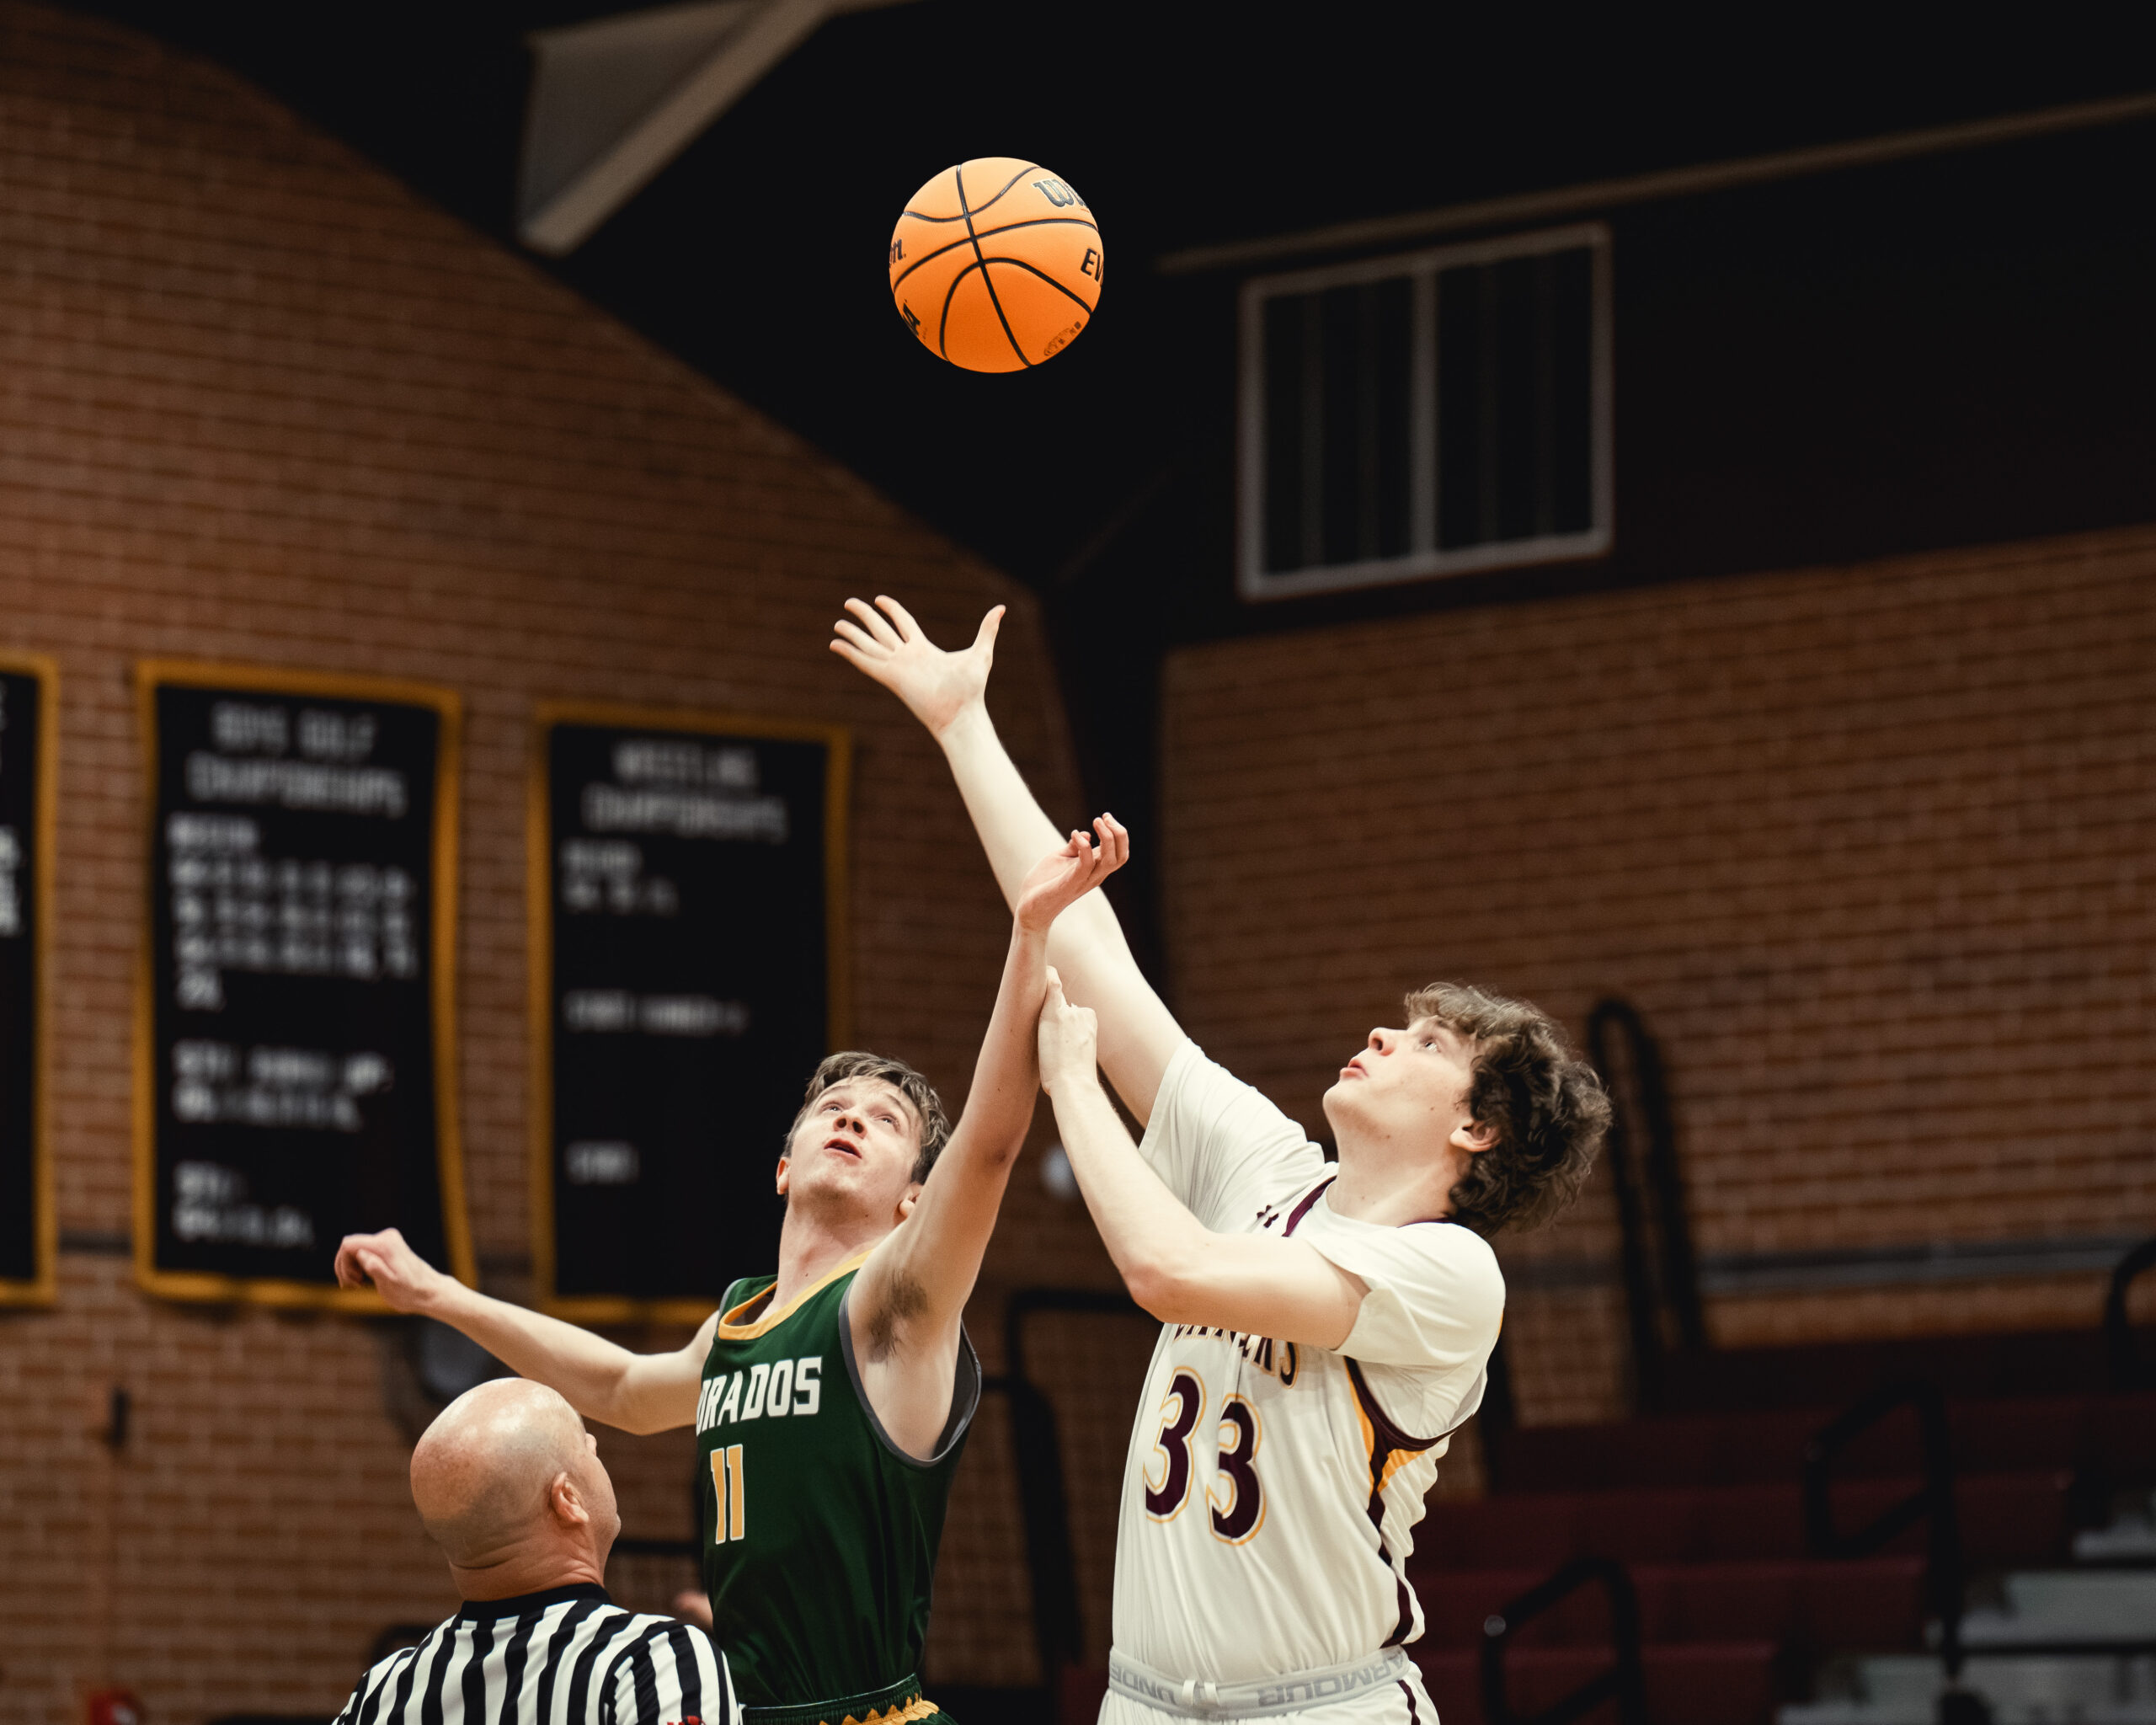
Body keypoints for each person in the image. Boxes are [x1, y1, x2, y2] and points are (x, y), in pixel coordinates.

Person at [834, 596, 1610, 1725]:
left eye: (1431, 1043)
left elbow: (1167, 1275)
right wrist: (965, 728)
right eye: (1403, 1021)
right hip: (1146, 1703)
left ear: (1477, 1129)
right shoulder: (1264, 1167)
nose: (1388, 1034)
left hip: (1320, 1710)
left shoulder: (1450, 1274)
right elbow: (1093, 951)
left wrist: (1071, 1087)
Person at [336, 821, 1123, 1725]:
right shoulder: (738, 1323)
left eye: (886, 1121)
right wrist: (438, 1293)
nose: (854, 1119)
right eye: (834, 1105)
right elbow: (623, 1387)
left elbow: (986, 1147)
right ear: (783, 1164)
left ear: (914, 1200)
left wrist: (1028, 932)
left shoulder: (892, 1303)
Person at [335, 1378, 737, 1725]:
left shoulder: (384, 1694)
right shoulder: (654, 1662)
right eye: (586, 1445)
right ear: (568, 1498)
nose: (596, 1448)